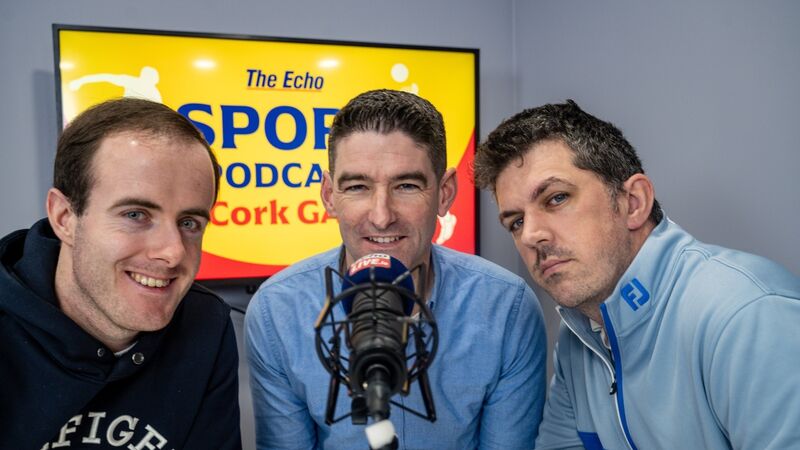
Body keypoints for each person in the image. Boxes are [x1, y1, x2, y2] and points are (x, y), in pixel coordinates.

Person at [473, 99, 800, 449]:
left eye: (556, 198)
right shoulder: (578, 336)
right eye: (516, 222)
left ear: (634, 202)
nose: (530, 235)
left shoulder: (748, 315)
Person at [246, 89, 547, 449]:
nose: (381, 216)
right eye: (357, 186)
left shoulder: (507, 308)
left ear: (445, 193)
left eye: (406, 185)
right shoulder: (276, 312)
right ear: (329, 196)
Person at [0, 98, 241, 449]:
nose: (173, 252)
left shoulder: (204, 324)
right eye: (135, 215)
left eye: (189, 223)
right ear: (64, 218)